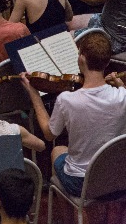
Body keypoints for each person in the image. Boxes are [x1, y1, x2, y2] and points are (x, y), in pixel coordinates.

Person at [20, 31, 126, 197]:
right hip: (118, 178)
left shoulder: (67, 100)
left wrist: (33, 93)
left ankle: (68, 213)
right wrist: (120, 85)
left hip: (82, 183)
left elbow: (49, 134)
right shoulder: (122, 95)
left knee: (57, 150)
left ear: (81, 58)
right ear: (106, 63)